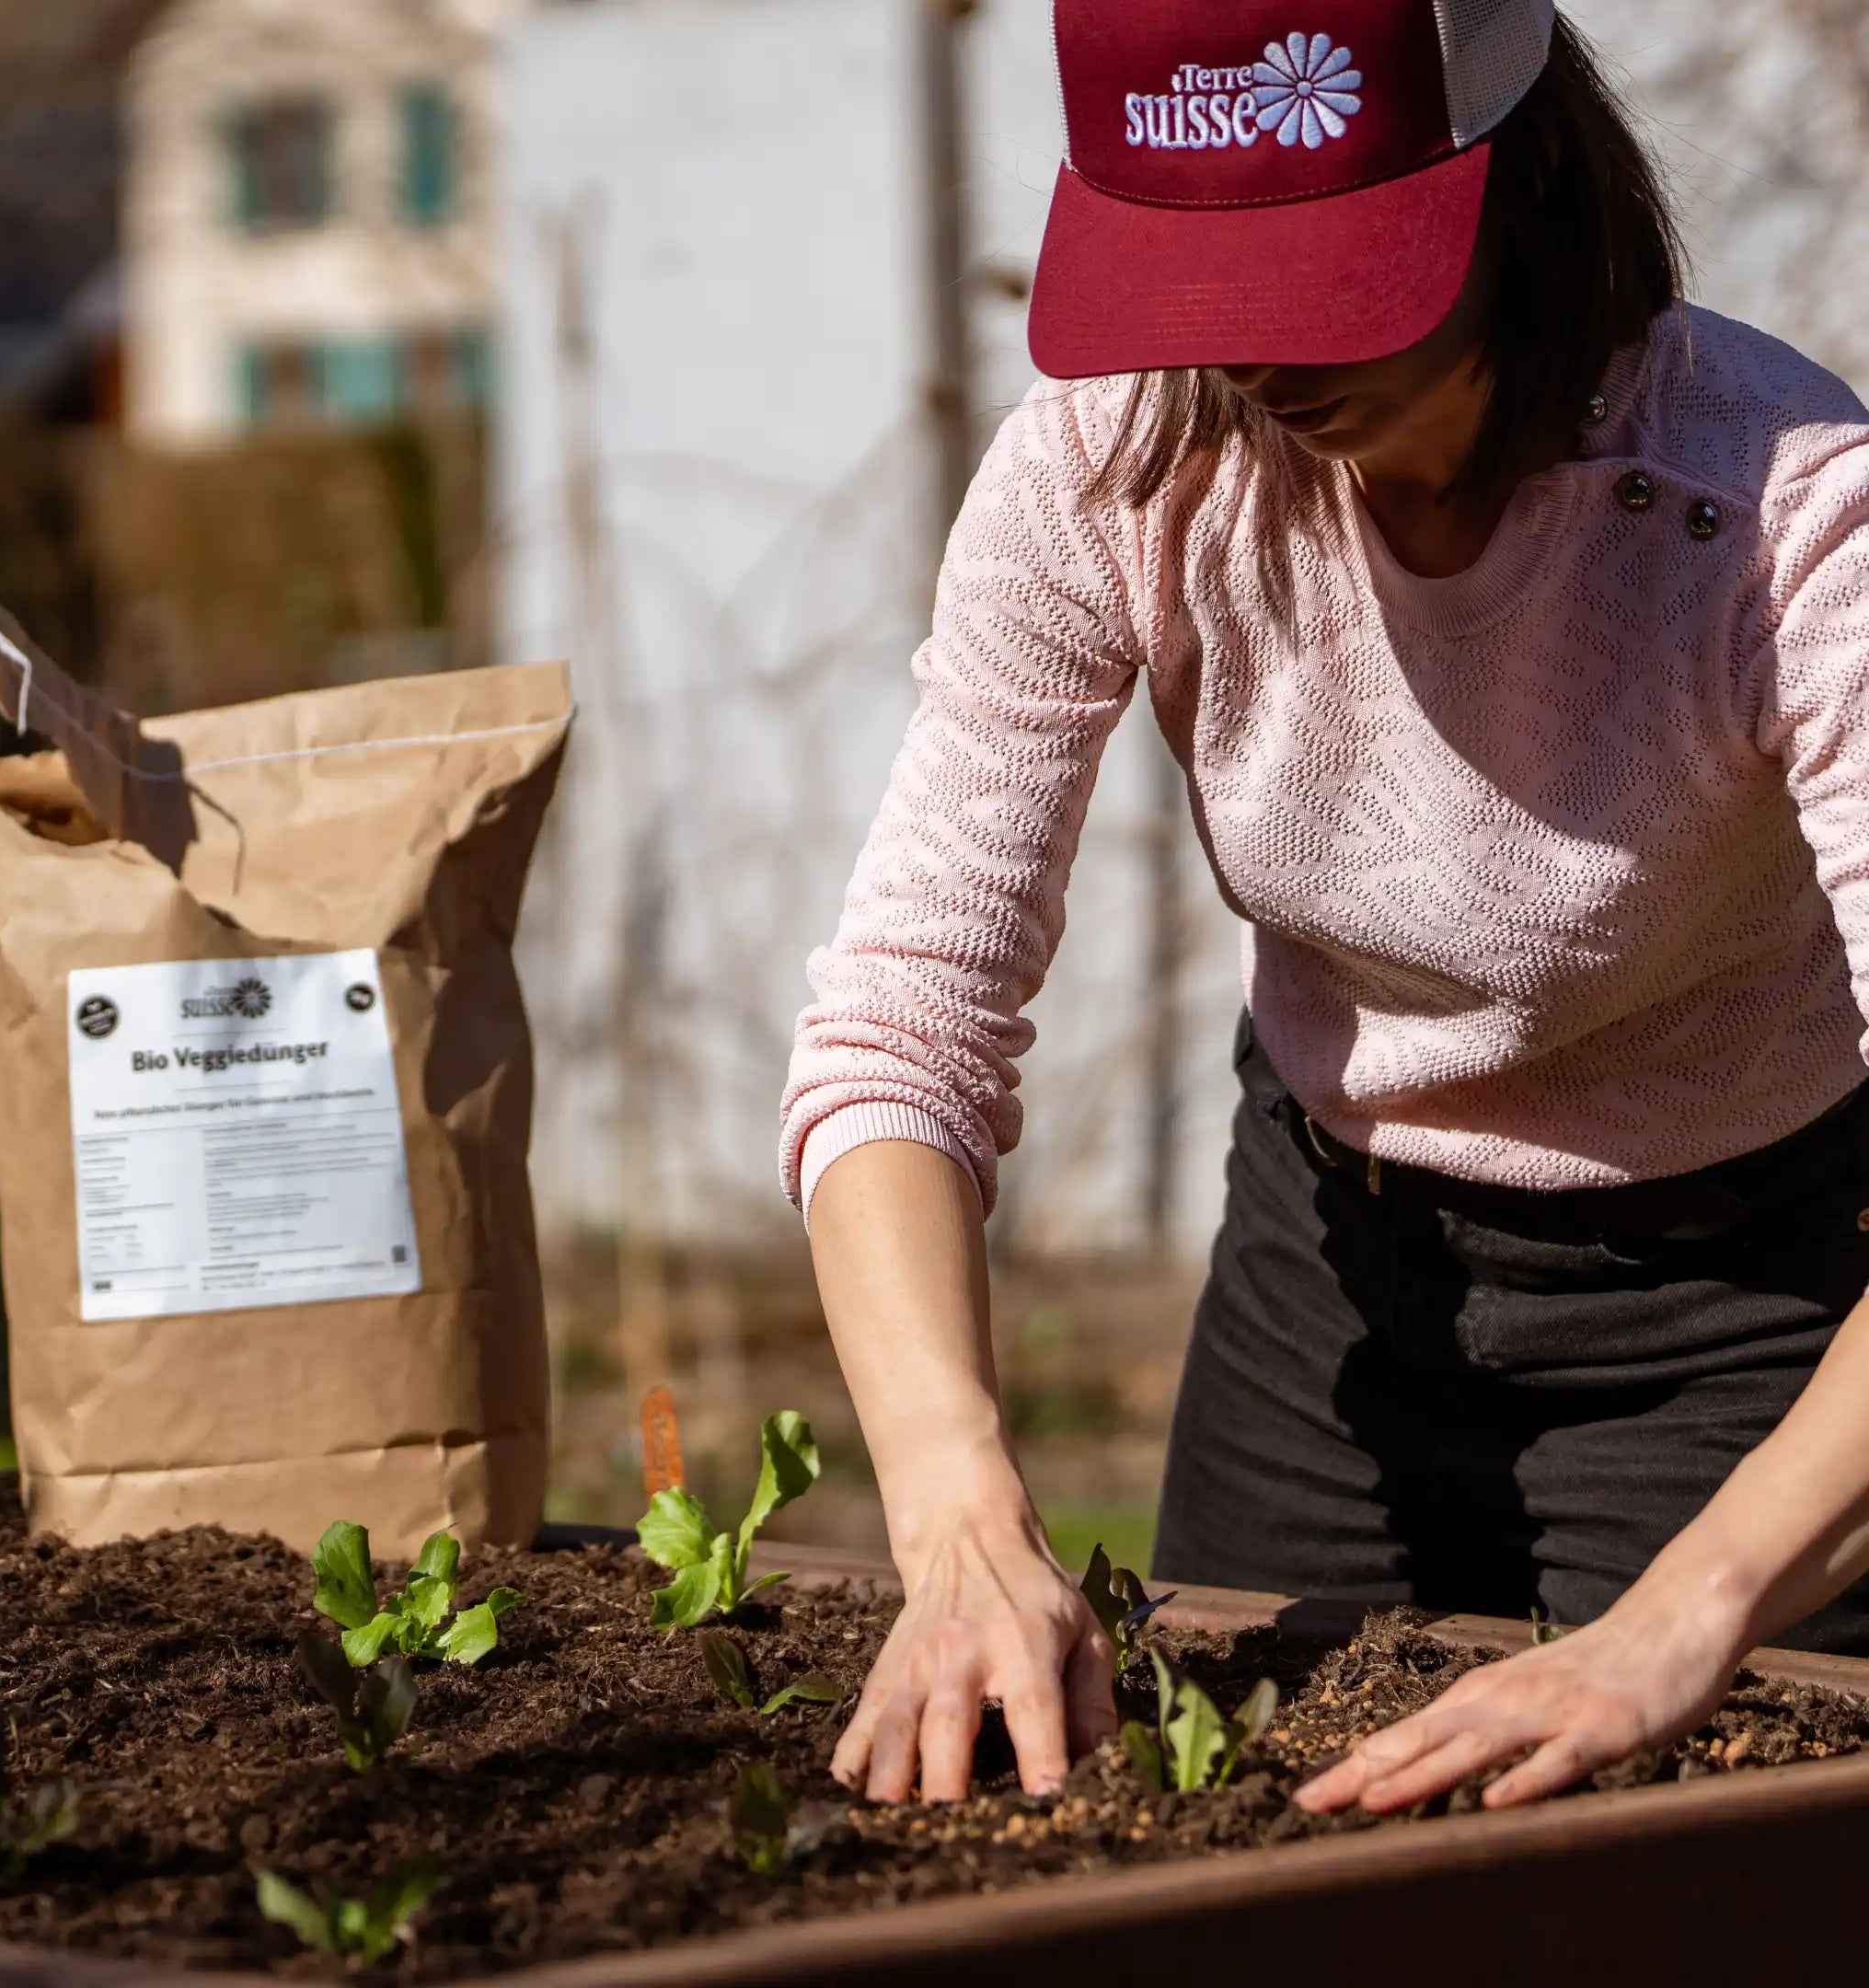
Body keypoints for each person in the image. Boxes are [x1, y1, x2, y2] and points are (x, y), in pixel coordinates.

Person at [779, 0, 1869, 1815]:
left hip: (1745, 1302)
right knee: (1235, 1855)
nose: (1250, 351)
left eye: (1324, 269)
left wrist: (1692, 1615)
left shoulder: (1780, 524)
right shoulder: (1127, 465)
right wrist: (954, 1503)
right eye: (1191, 276)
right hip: (1331, 1283)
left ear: (1512, 185)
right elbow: (903, 1024)